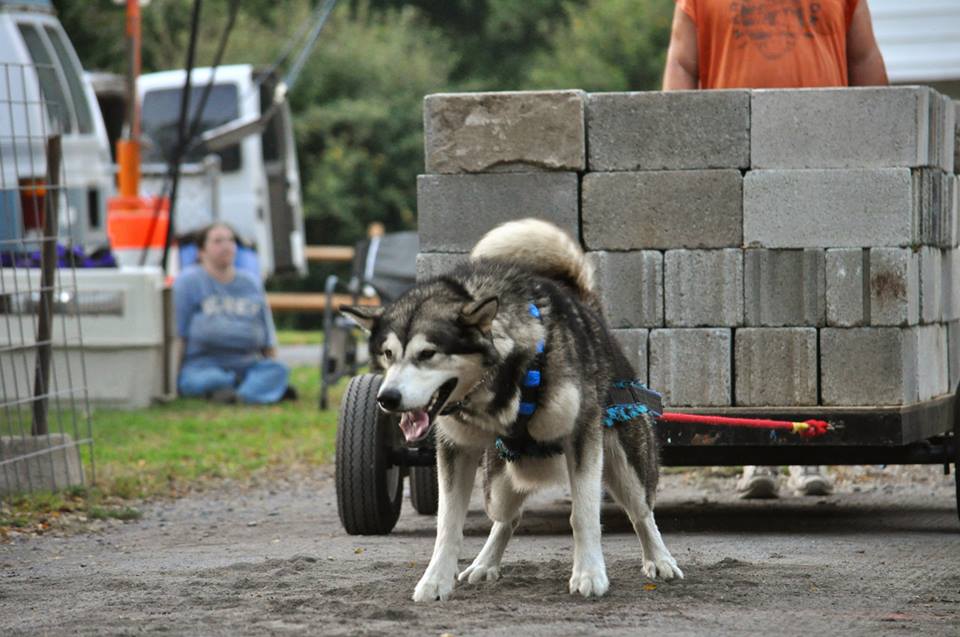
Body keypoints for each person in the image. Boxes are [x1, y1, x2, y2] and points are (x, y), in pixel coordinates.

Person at [661, 0, 888, 498]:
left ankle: (809, 458)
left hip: (823, 163)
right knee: (747, 316)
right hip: (735, 169)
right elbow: (683, 64)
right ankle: (754, 458)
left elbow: (865, 60)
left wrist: (881, 143)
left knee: (816, 312)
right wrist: (680, 158)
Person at [174, 222, 292, 404]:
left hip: (247, 365)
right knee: (208, 380)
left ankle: (237, 394)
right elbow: (178, 335)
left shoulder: (251, 283)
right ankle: (253, 391)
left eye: (230, 240)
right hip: (203, 366)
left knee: (278, 370)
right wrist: (172, 378)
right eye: (217, 241)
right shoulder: (188, 282)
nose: (226, 246)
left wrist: (272, 363)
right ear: (201, 251)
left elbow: (268, 334)